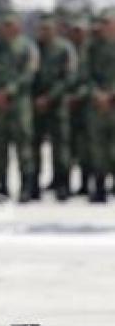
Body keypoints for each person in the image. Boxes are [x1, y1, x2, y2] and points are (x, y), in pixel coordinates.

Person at [0, 12, 39, 202]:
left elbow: (29, 74)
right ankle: (2, 187)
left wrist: (9, 91)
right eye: (5, 25)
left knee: (23, 148)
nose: (8, 29)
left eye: (11, 25)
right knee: (0, 149)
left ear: (18, 27)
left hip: (19, 106)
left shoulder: (27, 48)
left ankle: (26, 187)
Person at [31, 13, 77, 201]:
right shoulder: (34, 48)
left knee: (60, 148)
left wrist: (49, 97)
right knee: (34, 146)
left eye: (48, 29)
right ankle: (33, 184)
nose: (45, 32)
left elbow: (68, 77)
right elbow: (28, 74)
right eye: (42, 29)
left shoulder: (65, 49)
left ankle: (62, 185)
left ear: (55, 30)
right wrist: (36, 99)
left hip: (57, 104)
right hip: (36, 105)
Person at [85, 9, 115, 203]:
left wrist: (111, 94)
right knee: (98, 149)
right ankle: (100, 186)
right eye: (102, 23)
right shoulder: (91, 48)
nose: (105, 27)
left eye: (108, 22)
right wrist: (97, 94)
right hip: (97, 105)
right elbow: (84, 74)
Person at [67, 16, 93, 196]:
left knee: (87, 147)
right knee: (69, 146)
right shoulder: (68, 50)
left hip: (88, 105)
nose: (77, 34)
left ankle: (86, 182)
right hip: (68, 105)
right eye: (75, 30)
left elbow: (90, 77)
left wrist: (79, 95)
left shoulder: (91, 50)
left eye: (80, 31)